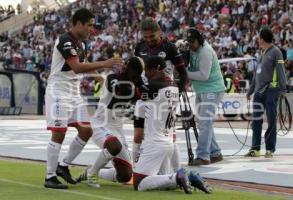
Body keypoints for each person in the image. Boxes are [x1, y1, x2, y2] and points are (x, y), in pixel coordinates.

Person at [44, 8, 123, 189]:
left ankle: (63, 166)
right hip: (59, 92)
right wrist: (104, 64)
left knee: (86, 130)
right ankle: (50, 176)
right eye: (89, 25)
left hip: (74, 91)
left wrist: (96, 75)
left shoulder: (82, 44)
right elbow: (77, 66)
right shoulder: (65, 40)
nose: (91, 29)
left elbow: (84, 65)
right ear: (78, 24)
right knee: (59, 133)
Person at [133, 56, 212, 194]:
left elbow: (136, 92)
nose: (145, 74)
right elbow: (183, 76)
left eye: (147, 70)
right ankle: (189, 177)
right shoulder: (174, 86)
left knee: (139, 183)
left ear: (157, 69)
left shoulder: (154, 87)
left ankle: (177, 176)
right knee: (162, 180)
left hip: (154, 142)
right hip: (168, 141)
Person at [76, 56, 145, 187]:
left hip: (118, 128)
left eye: (138, 75)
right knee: (114, 146)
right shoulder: (113, 78)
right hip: (100, 124)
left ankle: (91, 170)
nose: (136, 78)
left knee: (125, 176)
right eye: (135, 74)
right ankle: (92, 174)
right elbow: (121, 91)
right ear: (127, 69)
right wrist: (138, 90)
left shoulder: (137, 81)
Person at [133, 17, 187, 171]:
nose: (149, 40)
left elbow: (183, 73)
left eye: (152, 37)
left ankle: (176, 171)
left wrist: (178, 91)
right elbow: (136, 72)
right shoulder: (139, 48)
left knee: (167, 135)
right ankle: (135, 168)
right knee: (138, 135)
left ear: (159, 32)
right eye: (146, 37)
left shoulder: (169, 48)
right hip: (143, 96)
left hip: (163, 97)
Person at [185, 28, 226, 166]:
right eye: (188, 42)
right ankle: (215, 153)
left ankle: (203, 156)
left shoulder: (205, 52)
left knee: (205, 122)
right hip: (202, 90)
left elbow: (204, 75)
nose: (191, 45)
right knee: (204, 123)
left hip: (213, 89)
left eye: (193, 42)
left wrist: (185, 73)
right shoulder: (193, 50)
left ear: (200, 40)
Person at [245, 28, 286, 158]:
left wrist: (283, 89)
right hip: (258, 92)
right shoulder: (261, 53)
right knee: (256, 120)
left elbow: (281, 71)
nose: (258, 40)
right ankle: (255, 149)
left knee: (271, 120)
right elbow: (256, 74)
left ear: (262, 39)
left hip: (271, 91)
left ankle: (270, 148)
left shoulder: (276, 52)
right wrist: (251, 90)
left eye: (258, 38)